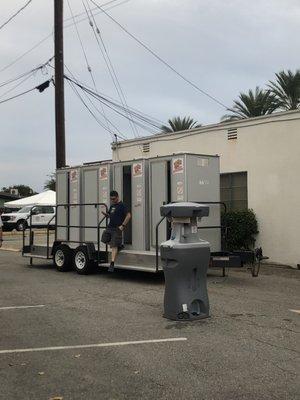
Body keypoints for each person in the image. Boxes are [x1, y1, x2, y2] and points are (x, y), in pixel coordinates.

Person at [103, 190, 131, 273]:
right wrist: (106, 215)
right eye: (111, 199)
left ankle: (112, 264)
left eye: (114, 199)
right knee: (104, 239)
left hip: (117, 229)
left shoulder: (122, 205)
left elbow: (129, 215)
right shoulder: (112, 206)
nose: (112, 200)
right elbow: (110, 215)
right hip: (109, 227)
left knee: (113, 245)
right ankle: (118, 246)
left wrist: (122, 225)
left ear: (117, 197)